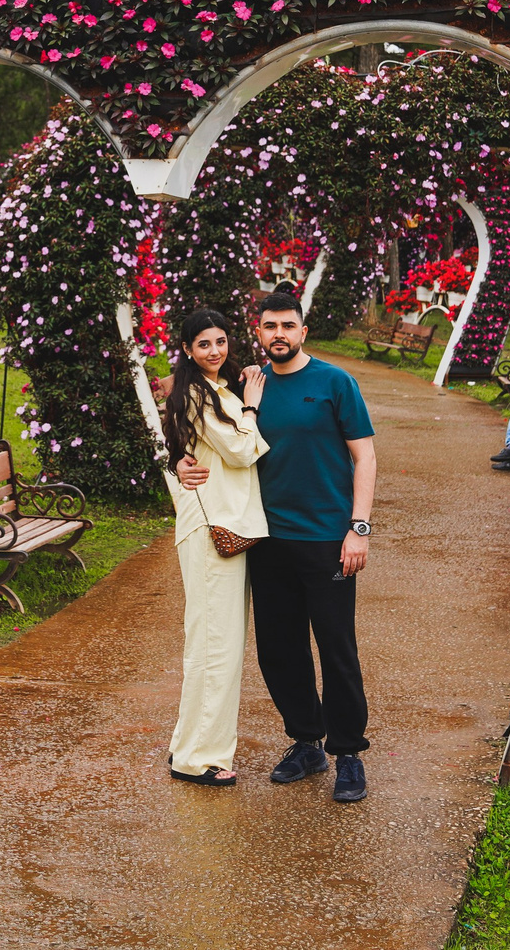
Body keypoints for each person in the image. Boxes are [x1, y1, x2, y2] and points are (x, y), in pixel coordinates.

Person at [180, 290, 375, 803]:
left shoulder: (335, 382)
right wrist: (179, 465)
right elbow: (198, 433)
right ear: (259, 332)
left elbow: (366, 457)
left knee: (336, 648)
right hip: (264, 540)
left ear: (303, 330)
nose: (279, 335)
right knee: (279, 651)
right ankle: (306, 742)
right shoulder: (245, 384)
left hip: (328, 540)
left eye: (288, 326)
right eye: (270, 327)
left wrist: (359, 528)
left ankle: (348, 754)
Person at [153, 308, 270, 786]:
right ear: (186, 349)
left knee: (214, 642)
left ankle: (189, 745)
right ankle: (198, 758)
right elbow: (242, 450)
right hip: (210, 528)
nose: (215, 351)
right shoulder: (200, 395)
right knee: (214, 645)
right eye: (204, 344)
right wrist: (251, 406)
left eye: (221, 341)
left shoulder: (210, 389)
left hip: (219, 522)